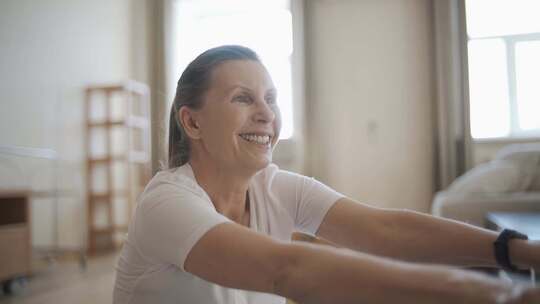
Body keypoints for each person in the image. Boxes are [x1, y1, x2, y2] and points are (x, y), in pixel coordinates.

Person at [113, 45, 540, 304]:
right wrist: (503, 294)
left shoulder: (274, 187)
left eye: (271, 99)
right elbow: (289, 270)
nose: (266, 114)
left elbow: (386, 229)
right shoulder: (166, 203)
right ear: (192, 123)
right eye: (243, 98)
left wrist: (521, 252)